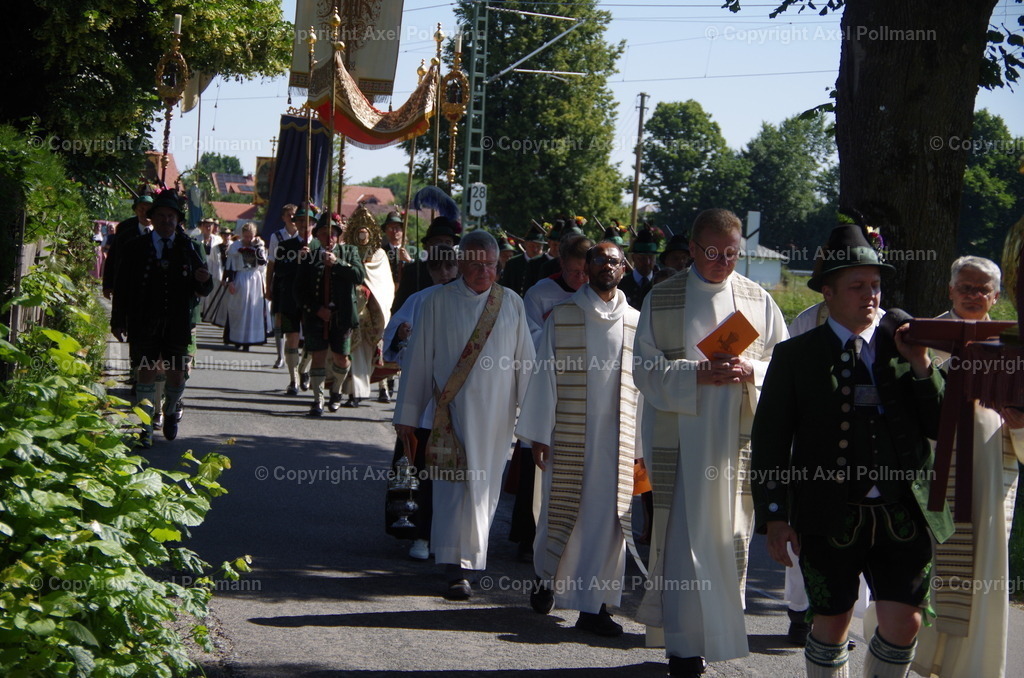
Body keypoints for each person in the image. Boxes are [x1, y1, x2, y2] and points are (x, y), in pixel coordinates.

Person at [750, 223, 953, 678]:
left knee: (906, 622)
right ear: (828, 292)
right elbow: (770, 442)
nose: (871, 295)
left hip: (903, 512)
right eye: (857, 286)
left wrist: (922, 364)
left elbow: (941, 423)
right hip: (827, 512)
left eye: (876, 285)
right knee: (832, 621)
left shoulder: (905, 346)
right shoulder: (796, 355)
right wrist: (776, 515)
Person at [633, 208, 788, 678]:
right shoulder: (662, 300)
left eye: (732, 253)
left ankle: (718, 637)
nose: (723, 262)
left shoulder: (758, 301)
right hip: (681, 444)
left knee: (727, 539)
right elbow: (643, 368)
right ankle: (683, 649)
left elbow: (781, 368)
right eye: (714, 252)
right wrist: (696, 373)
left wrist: (750, 373)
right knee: (681, 545)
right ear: (694, 250)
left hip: (732, 447)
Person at [893, 255, 1022, 678]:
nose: (973, 295)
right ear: (950, 290)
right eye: (965, 287)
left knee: (979, 576)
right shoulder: (923, 336)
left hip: (985, 481)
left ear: (997, 297)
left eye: (983, 289)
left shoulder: (1012, 346)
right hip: (930, 477)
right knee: (917, 574)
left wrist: (1020, 422)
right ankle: (911, 662)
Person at [393, 230, 534, 600]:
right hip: (450, 415)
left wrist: (533, 422)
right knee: (453, 489)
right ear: (461, 264)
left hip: (496, 417)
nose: (484, 272)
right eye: (476, 265)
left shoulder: (512, 303)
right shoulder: (437, 302)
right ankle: (455, 568)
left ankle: (474, 557)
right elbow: (420, 360)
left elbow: (526, 365)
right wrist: (407, 415)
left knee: (484, 490)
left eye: (491, 265)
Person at [515, 241, 641, 638]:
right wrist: (537, 433)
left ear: (625, 269)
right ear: (586, 266)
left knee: (610, 525)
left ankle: (596, 606)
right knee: (561, 512)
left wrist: (642, 448)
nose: (607, 265)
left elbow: (644, 389)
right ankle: (547, 576)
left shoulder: (637, 323)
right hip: (568, 437)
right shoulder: (563, 316)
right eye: (600, 259)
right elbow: (545, 374)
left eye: (615, 261)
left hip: (617, 441)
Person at [110, 189, 212, 446]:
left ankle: (170, 412)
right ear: (152, 218)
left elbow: (204, 289)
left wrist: (204, 280)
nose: (167, 221)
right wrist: (118, 319)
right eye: (162, 216)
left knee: (176, 374)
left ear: (178, 220)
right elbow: (122, 286)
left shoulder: (191, 246)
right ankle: (145, 426)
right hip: (144, 320)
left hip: (178, 322)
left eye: (171, 216)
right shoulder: (135, 247)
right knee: (145, 370)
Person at [381, 244, 460, 561]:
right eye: (437, 268)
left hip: (457, 406)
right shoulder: (418, 301)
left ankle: (452, 537)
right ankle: (420, 534)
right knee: (421, 472)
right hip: (424, 406)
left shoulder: (470, 303)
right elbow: (393, 345)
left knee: (452, 476)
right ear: (429, 271)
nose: (444, 273)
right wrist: (399, 335)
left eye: (449, 267)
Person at [295, 214, 366, 417]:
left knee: (341, 358)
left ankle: (336, 391)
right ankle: (317, 400)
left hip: (342, 316)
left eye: (332, 234)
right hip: (316, 316)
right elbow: (299, 290)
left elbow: (359, 276)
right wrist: (317, 309)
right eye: (324, 234)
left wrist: (336, 264)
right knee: (317, 356)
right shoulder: (309, 257)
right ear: (317, 236)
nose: (329, 238)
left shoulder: (349, 252)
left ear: (338, 236)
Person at [338, 206, 394, 409]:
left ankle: (357, 392)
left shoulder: (379, 255)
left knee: (361, 355)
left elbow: (382, 283)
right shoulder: (345, 252)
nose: (362, 236)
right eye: (358, 232)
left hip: (368, 315)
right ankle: (344, 390)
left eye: (365, 232)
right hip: (348, 310)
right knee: (346, 352)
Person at [391, 216, 460, 313]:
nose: (443, 246)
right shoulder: (413, 272)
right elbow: (399, 308)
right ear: (427, 246)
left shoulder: (460, 274)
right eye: (438, 241)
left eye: (448, 242)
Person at [223, 223, 269, 351]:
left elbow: (262, 262)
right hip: (241, 278)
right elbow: (230, 265)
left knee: (252, 310)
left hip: (254, 278)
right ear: (242, 235)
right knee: (239, 308)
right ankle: (236, 338)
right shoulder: (235, 246)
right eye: (246, 236)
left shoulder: (259, 245)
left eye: (251, 236)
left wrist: (258, 247)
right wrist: (230, 281)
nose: (248, 239)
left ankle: (249, 340)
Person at [266, 203, 299, 368]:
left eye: (294, 214)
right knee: (279, 317)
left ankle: (295, 352)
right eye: (289, 215)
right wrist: (268, 286)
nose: (292, 218)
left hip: (299, 281)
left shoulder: (305, 236)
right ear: (283, 217)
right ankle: (280, 356)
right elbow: (271, 263)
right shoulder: (276, 236)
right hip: (282, 281)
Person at [103, 194, 154, 300]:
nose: (145, 213)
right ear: (136, 211)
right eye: (141, 209)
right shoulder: (125, 233)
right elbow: (113, 257)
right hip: (128, 287)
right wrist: (107, 285)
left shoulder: (162, 232)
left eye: (149, 209)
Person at [618, 226, 660, 310]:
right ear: (633, 258)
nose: (647, 262)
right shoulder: (621, 285)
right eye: (642, 258)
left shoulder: (661, 283)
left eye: (651, 258)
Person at [499, 223, 546, 297]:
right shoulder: (512, 263)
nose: (535, 249)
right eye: (532, 246)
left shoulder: (546, 264)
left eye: (539, 246)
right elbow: (506, 287)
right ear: (525, 245)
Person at [381, 209, 413, 286]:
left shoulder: (413, 251)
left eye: (397, 227)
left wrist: (409, 261)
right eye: (390, 228)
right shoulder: (380, 252)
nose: (394, 231)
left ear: (403, 230)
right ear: (385, 231)